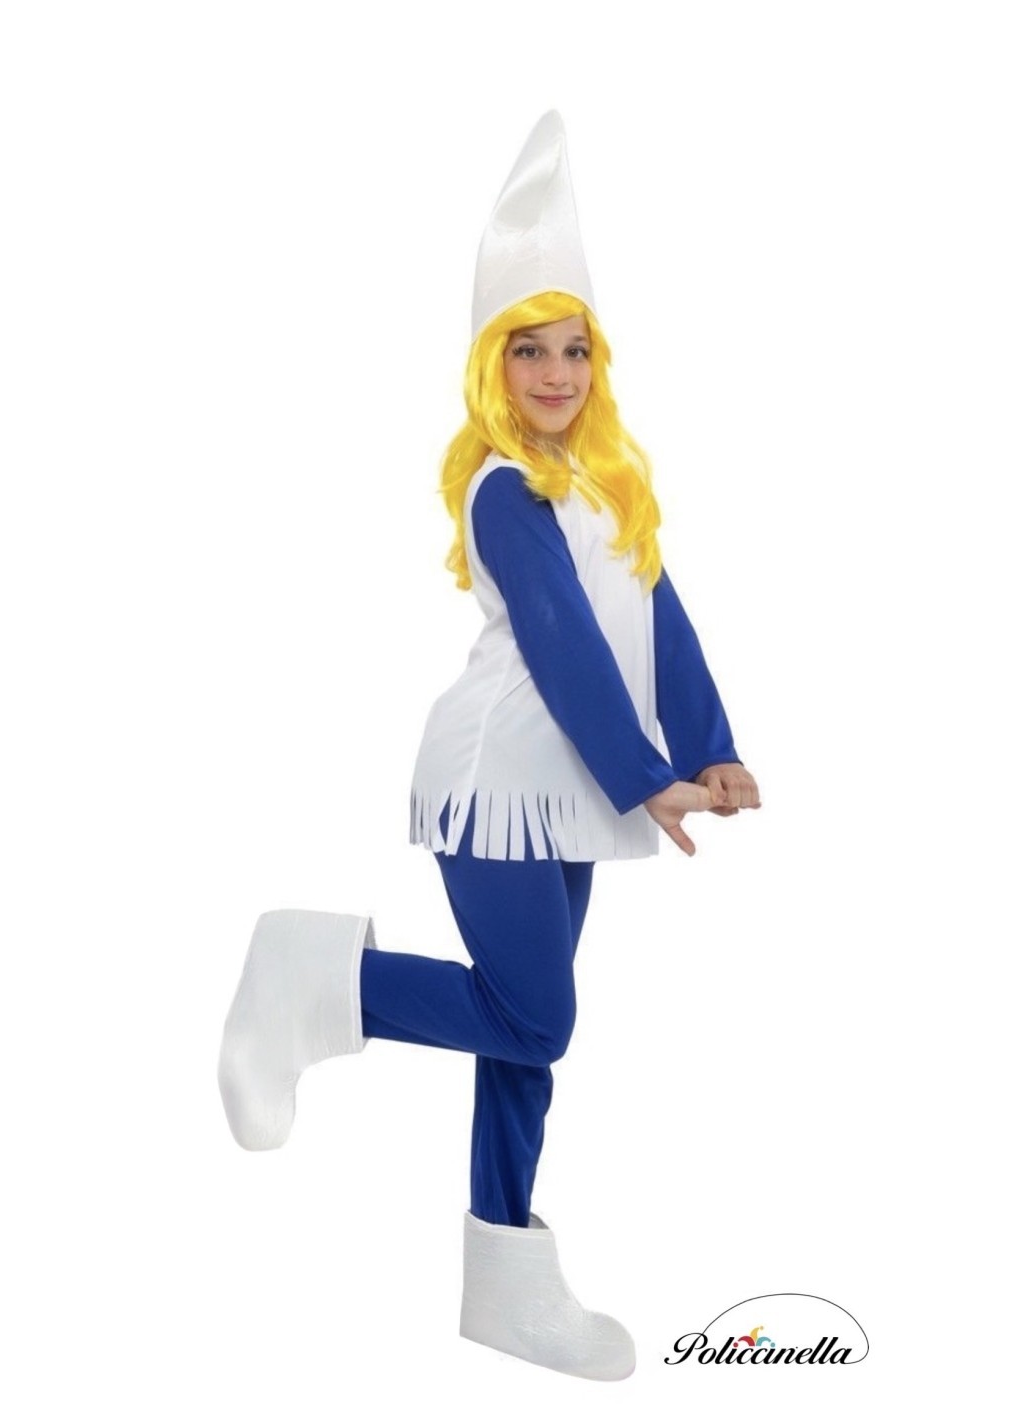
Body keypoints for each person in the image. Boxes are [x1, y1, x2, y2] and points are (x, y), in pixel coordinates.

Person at [217, 112, 760, 1383]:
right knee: (535, 1018)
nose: (556, 373)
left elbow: (657, 618)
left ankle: (506, 1279)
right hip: (500, 780)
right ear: (490, 365)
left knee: (516, 1043)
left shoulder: (606, 481)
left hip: (571, 794)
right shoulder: (504, 488)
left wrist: (711, 747)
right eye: (528, 349)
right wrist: (646, 776)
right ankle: (315, 977)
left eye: (574, 348)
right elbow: (562, 644)